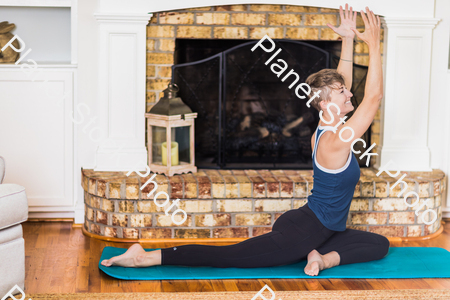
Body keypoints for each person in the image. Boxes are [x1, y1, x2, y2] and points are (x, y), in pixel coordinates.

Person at [101, 4, 389, 276]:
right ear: (326, 104)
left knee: (379, 245)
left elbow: (343, 85)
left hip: (315, 225)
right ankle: (146, 256)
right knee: (229, 257)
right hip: (303, 232)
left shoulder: (329, 125)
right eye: (342, 93)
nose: (350, 94)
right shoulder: (335, 140)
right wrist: (374, 46)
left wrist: (349, 39)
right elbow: (373, 97)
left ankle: (321, 258)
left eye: (345, 90)